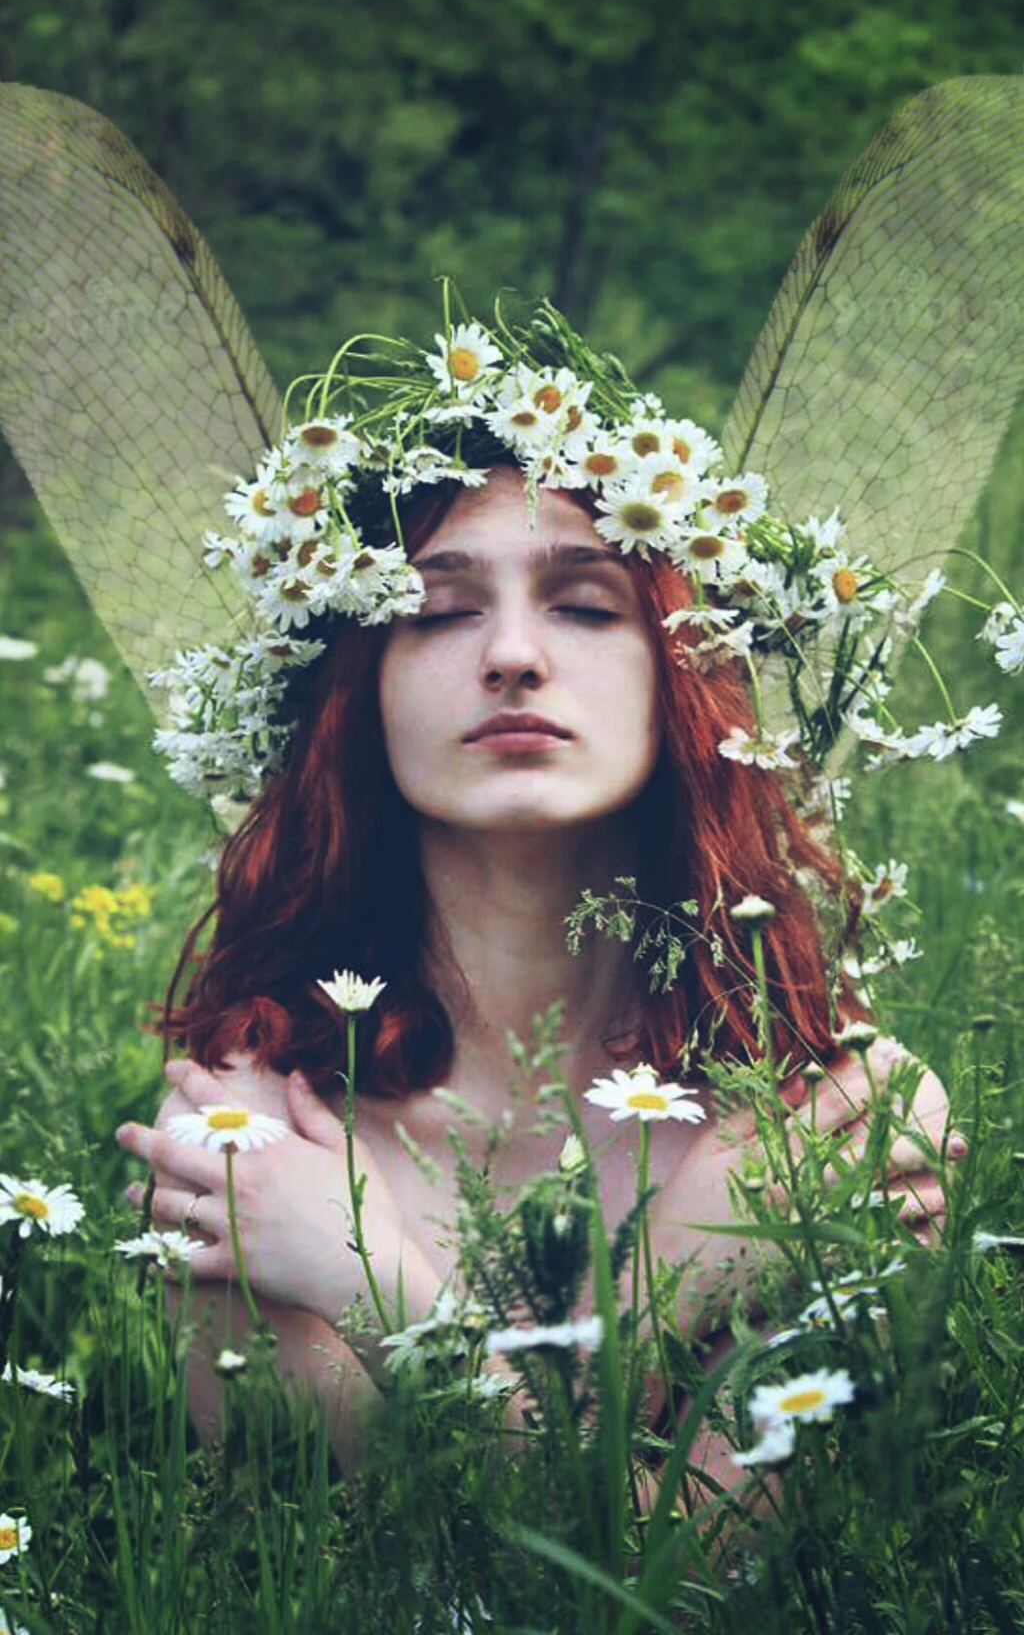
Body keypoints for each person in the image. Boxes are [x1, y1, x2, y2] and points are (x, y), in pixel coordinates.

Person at [115, 386, 956, 1485]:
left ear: (684, 673)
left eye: (588, 606)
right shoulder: (255, 1139)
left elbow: (711, 1586)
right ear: (356, 692)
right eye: (435, 610)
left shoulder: (839, 1120)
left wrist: (372, 1288)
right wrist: (675, 1292)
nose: (512, 654)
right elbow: (392, 1574)